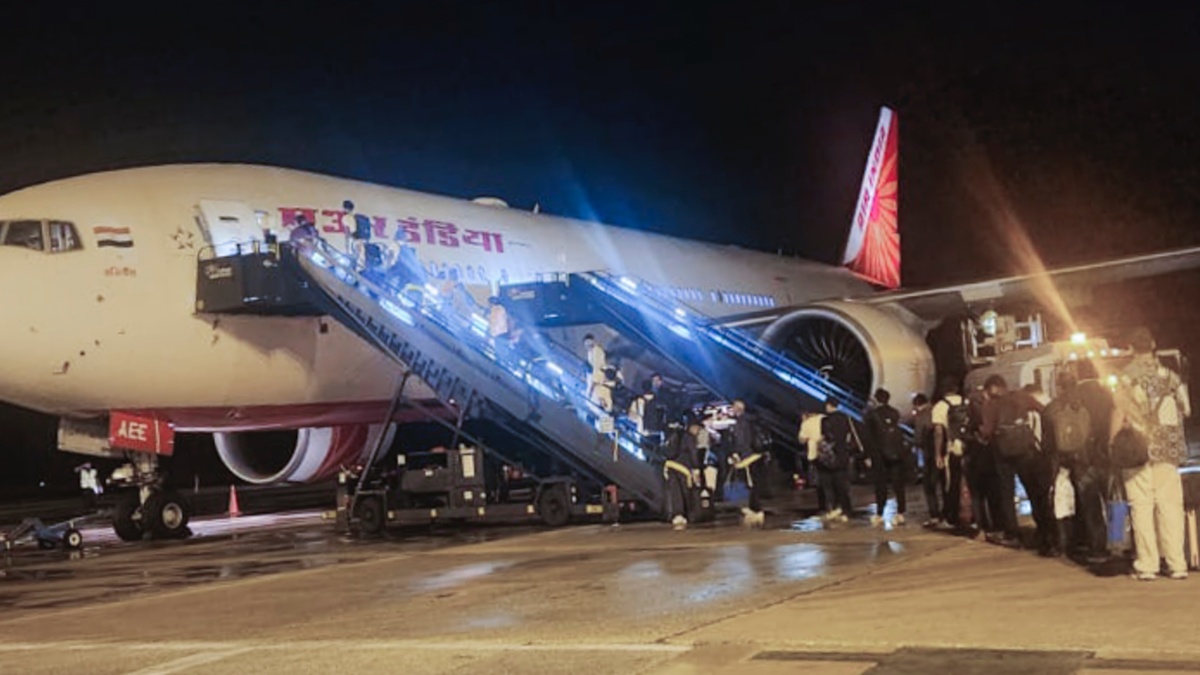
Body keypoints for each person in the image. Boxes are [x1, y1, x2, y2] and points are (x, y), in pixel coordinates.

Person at [1114, 327, 1190, 580]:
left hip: (1138, 450)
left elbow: (1118, 412)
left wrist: (1112, 441)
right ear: (1154, 344)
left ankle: (1148, 565)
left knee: (1141, 506)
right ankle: (1177, 564)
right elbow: (1186, 409)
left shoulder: (1125, 378)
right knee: (1171, 506)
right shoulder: (1172, 376)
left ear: (1131, 349)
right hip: (1168, 449)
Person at [981, 374, 1056, 555]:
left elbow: (987, 431)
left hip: (1003, 454)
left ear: (993, 388)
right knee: (1034, 491)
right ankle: (1044, 531)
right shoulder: (1022, 397)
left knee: (1007, 494)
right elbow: (1044, 411)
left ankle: (1012, 533)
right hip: (1025, 451)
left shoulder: (991, 404)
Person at [1072, 359, 1115, 563]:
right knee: (1114, 501)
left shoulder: (1073, 397)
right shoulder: (1108, 394)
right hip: (1107, 456)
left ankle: (1098, 548)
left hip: (1083, 459)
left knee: (1090, 507)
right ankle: (1118, 544)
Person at [932, 378, 973, 533]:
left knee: (952, 484)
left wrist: (938, 454)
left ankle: (951, 517)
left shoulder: (941, 406)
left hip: (953, 449)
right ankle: (975, 517)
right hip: (968, 447)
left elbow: (938, 432)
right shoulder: (966, 402)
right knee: (971, 483)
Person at [864, 388, 909, 526]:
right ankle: (901, 512)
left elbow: (869, 438)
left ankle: (879, 514)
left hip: (879, 454)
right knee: (898, 484)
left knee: (881, 485)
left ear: (876, 399)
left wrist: (867, 455)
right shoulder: (895, 412)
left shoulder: (871, 415)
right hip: (895, 452)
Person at [818, 397, 859, 522]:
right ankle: (847, 510)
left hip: (831, 456)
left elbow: (825, 437)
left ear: (829, 406)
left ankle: (836, 508)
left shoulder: (825, 420)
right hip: (843, 454)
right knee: (843, 484)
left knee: (831, 484)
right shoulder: (845, 418)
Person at [911, 394, 941, 527]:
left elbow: (918, 438)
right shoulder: (936, 411)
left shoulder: (921, 416)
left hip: (929, 454)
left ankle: (934, 515)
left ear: (917, 405)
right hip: (943, 453)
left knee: (929, 486)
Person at [798, 409, 827, 514]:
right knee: (830, 481)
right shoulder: (824, 418)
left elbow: (801, 440)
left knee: (819, 483)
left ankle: (823, 507)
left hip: (814, 454)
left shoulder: (807, 423)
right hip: (828, 454)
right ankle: (834, 505)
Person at [583, 334, 610, 411]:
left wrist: (591, 389)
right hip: (594, 380)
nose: (588, 346)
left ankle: (606, 423)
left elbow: (597, 371)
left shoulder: (597, 351)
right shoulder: (590, 352)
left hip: (598, 383)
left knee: (602, 409)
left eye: (590, 344)